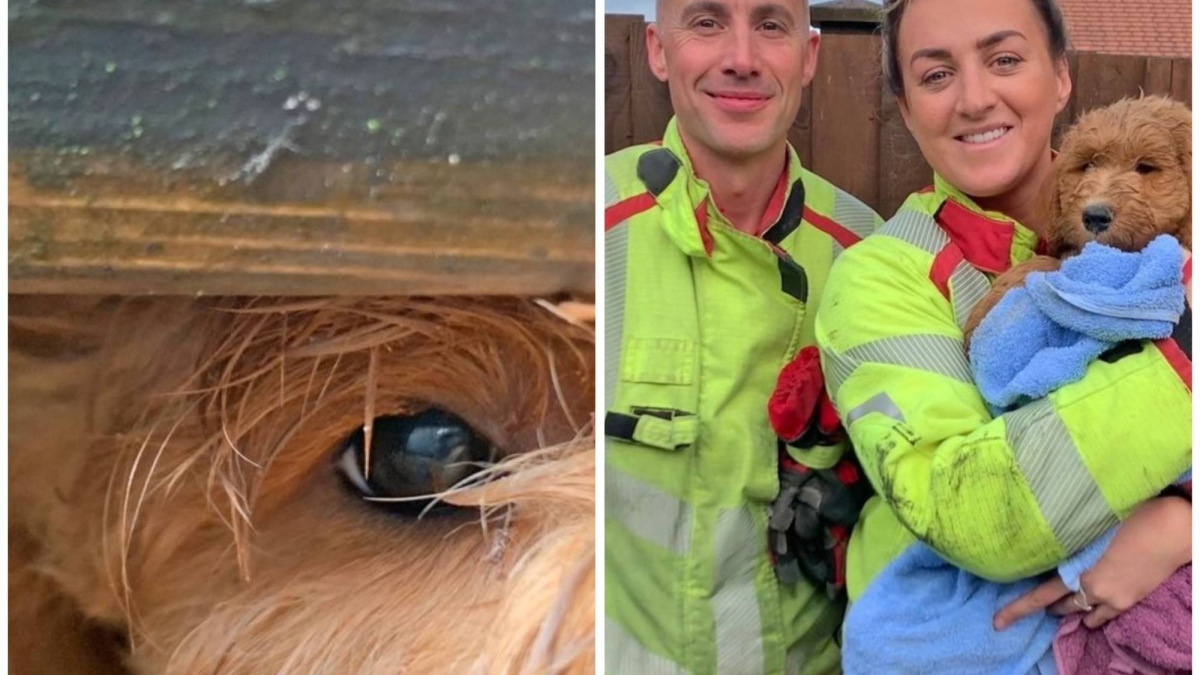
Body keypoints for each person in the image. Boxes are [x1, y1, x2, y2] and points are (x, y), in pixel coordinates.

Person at [814, 0, 1191, 668]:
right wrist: (1184, 355)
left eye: (1004, 60)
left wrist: (1185, 524)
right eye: (935, 76)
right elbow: (968, 510)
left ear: (1062, 76)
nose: (975, 98)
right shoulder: (881, 276)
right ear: (905, 109)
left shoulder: (1166, 243)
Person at [603, 0, 882, 673]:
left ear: (808, 56)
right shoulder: (584, 225)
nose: (741, 57)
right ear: (657, 49)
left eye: (770, 25)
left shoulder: (871, 256)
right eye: (705, 22)